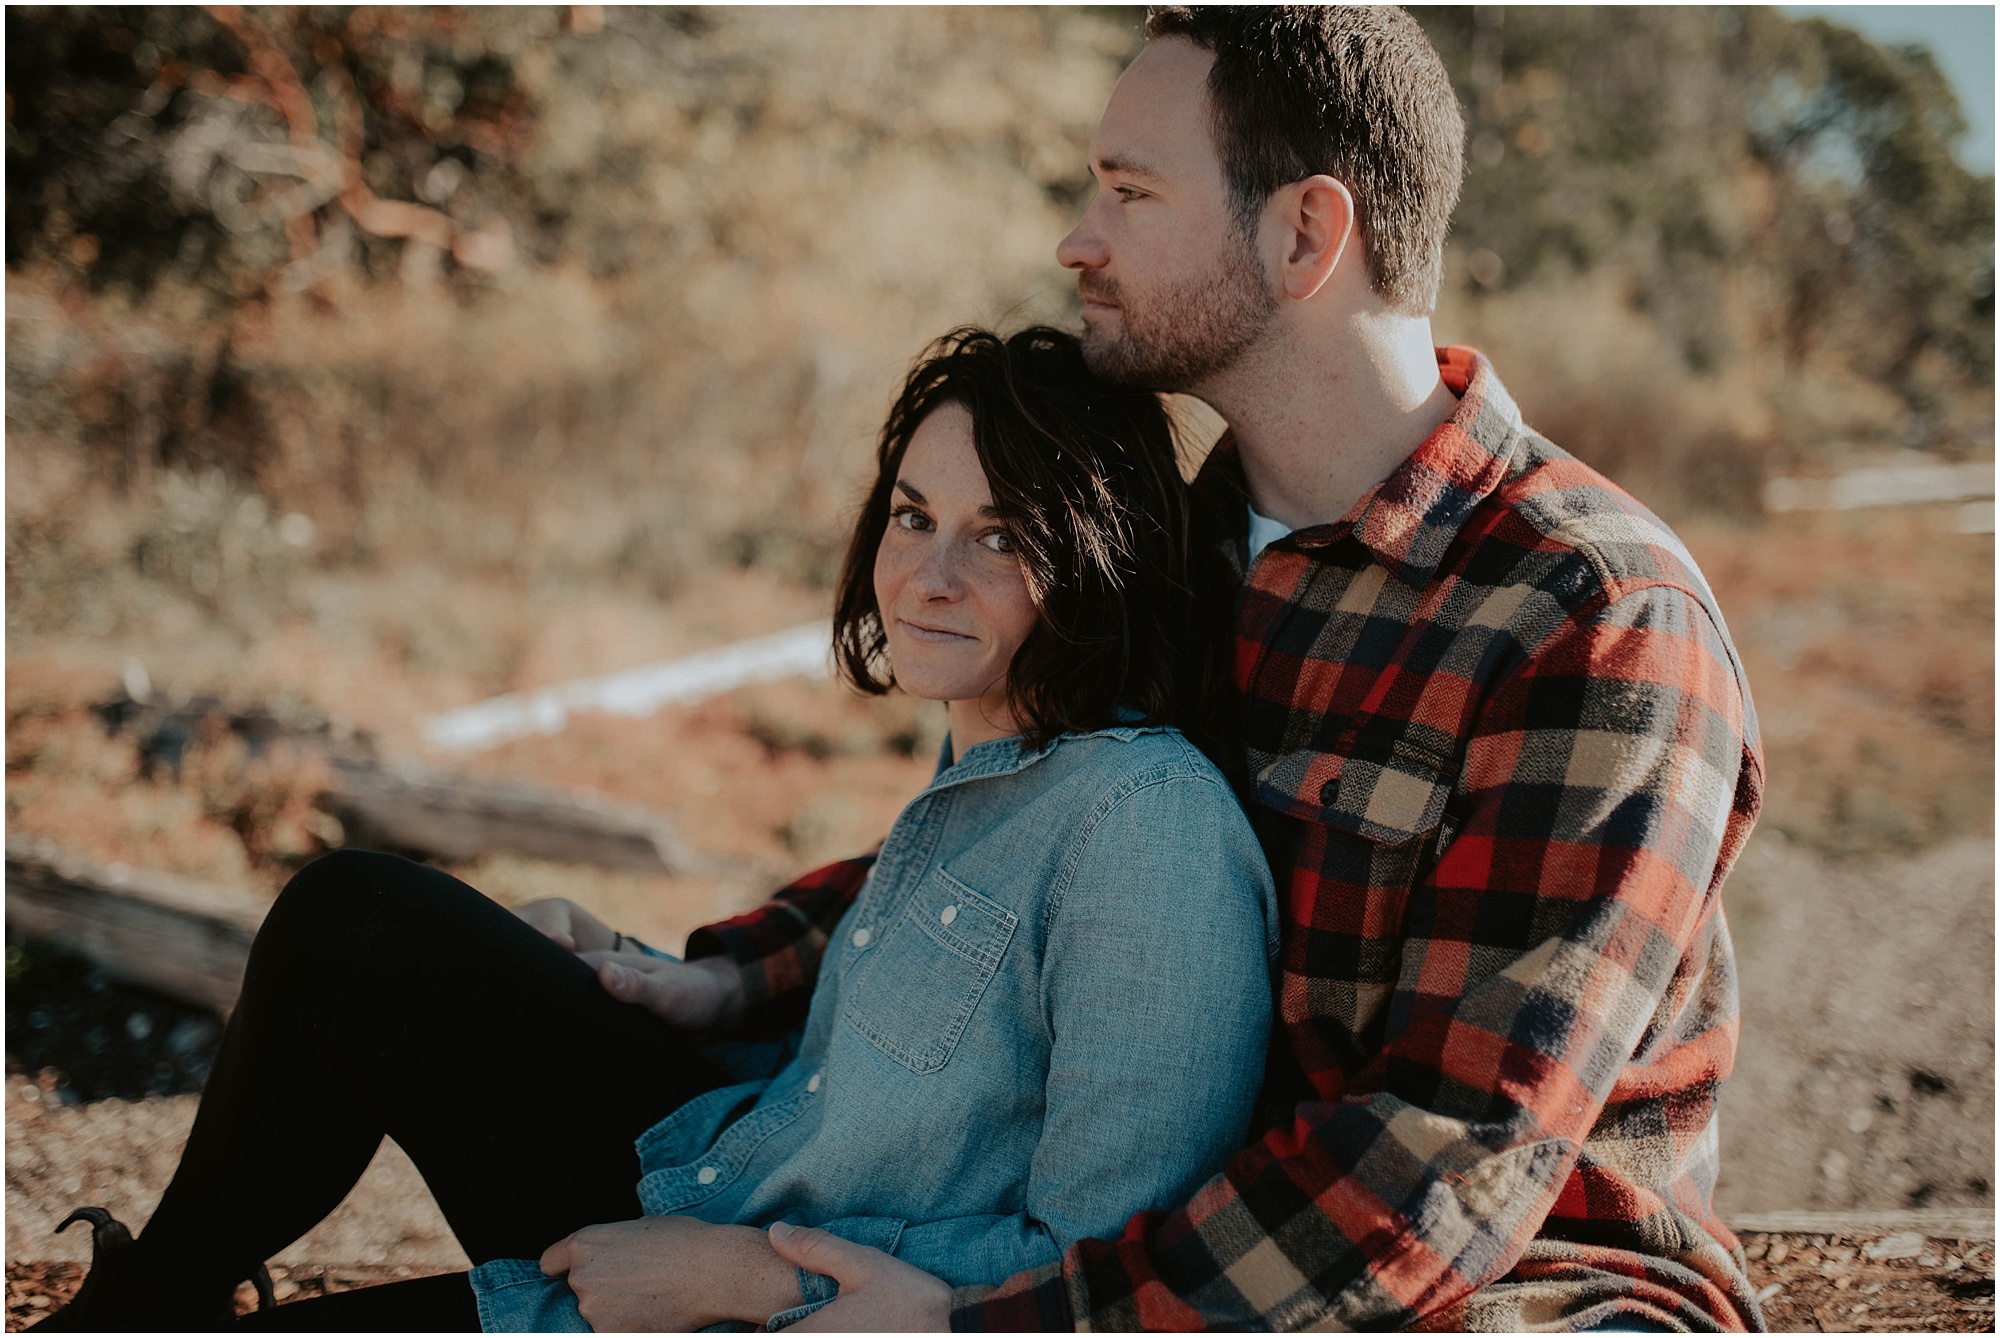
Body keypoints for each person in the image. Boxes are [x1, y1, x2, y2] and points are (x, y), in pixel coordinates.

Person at [678, 8, 1770, 1333]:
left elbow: (1450, 1161)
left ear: (1305, 235)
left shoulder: (1590, 621)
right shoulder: (1175, 551)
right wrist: (731, 972)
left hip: (1501, 1292)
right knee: (388, 943)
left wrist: (989, 1323)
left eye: (1131, 192)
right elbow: (1021, 840)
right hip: (1122, 1238)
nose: (1078, 238)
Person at [31, 327, 1278, 1332]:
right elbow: (900, 1076)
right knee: (354, 919)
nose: (928, 574)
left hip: (763, 1300)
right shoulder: (986, 764)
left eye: (998, 537)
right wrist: (648, 978)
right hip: (719, 1174)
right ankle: (147, 1300)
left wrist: (742, 1284)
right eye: (912, 515)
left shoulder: (1142, 830)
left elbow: (1101, 1271)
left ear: (1097, 561)